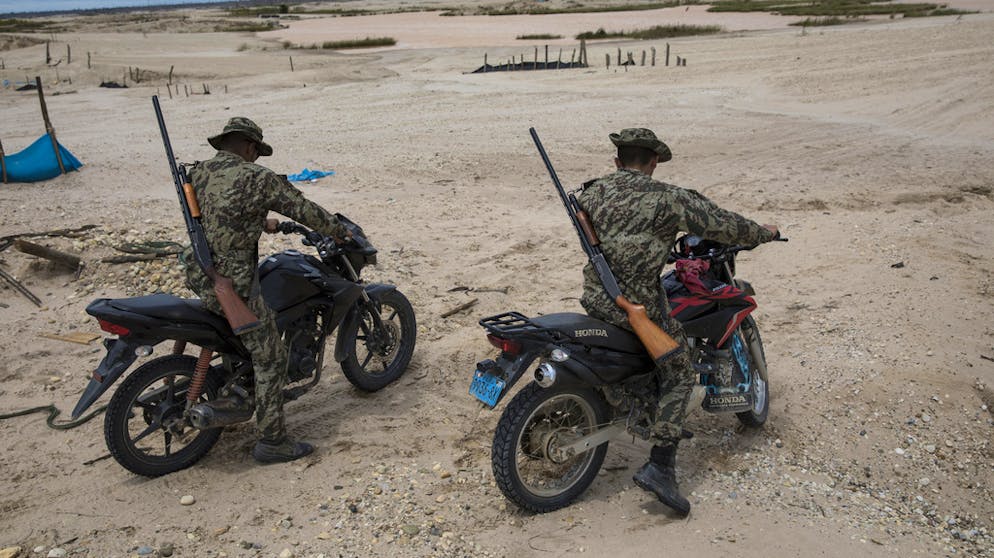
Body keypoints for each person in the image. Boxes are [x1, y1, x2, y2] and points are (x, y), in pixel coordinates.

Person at [577, 128, 778, 516]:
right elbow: (724, 224)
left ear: (617, 161)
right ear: (653, 163)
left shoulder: (592, 193)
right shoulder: (669, 198)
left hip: (596, 300)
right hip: (637, 308)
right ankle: (661, 467)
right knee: (680, 374)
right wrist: (764, 233)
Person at [183, 117, 349, 464]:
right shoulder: (257, 177)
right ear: (249, 146)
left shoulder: (199, 173)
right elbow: (303, 209)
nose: (257, 158)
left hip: (200, 272)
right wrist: (336, 229)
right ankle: (273, 442)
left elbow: (218, 213)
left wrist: (262, 222)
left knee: (246, 337)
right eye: (257, 152)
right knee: (272, 356)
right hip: (233, 281)